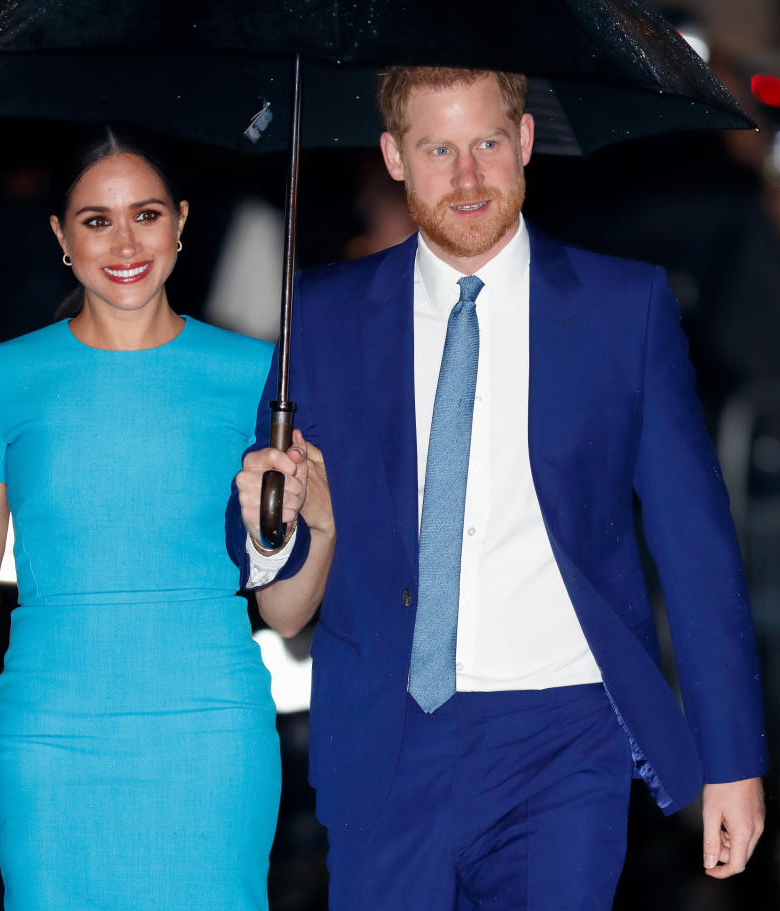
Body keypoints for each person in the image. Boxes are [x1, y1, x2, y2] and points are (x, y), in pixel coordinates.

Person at [230, 67, 767, 909]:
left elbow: (694, 543)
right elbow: (262, 532)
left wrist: (733, 761)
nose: (468, 177)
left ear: (523, 143)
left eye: (486, 143)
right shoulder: (324, 314)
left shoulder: (624, 307)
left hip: (565, 738)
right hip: (386, 736)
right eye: (438, 149)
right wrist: (272, 521)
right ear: (395, 157)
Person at [0, 128, 280, 910]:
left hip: (209, 731)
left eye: (146, 214)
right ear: (61, 237)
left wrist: (301, 524)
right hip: (52, 735)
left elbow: (286, 593)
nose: (126, 240)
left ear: (180, 222)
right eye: (97, 220)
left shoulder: (258, 378)